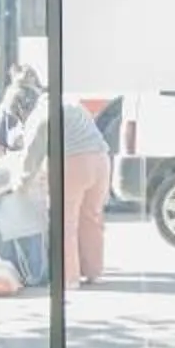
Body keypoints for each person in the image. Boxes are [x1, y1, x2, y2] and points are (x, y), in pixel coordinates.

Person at [20, 89, 114, 287]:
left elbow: (33, 153)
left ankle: (68, 278)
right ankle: (93, 271)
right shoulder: (73, 104)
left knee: (65, 223)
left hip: (73, 162)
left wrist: (22, 183)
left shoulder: (43, 112)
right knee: (92, 218)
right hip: (101, 160)